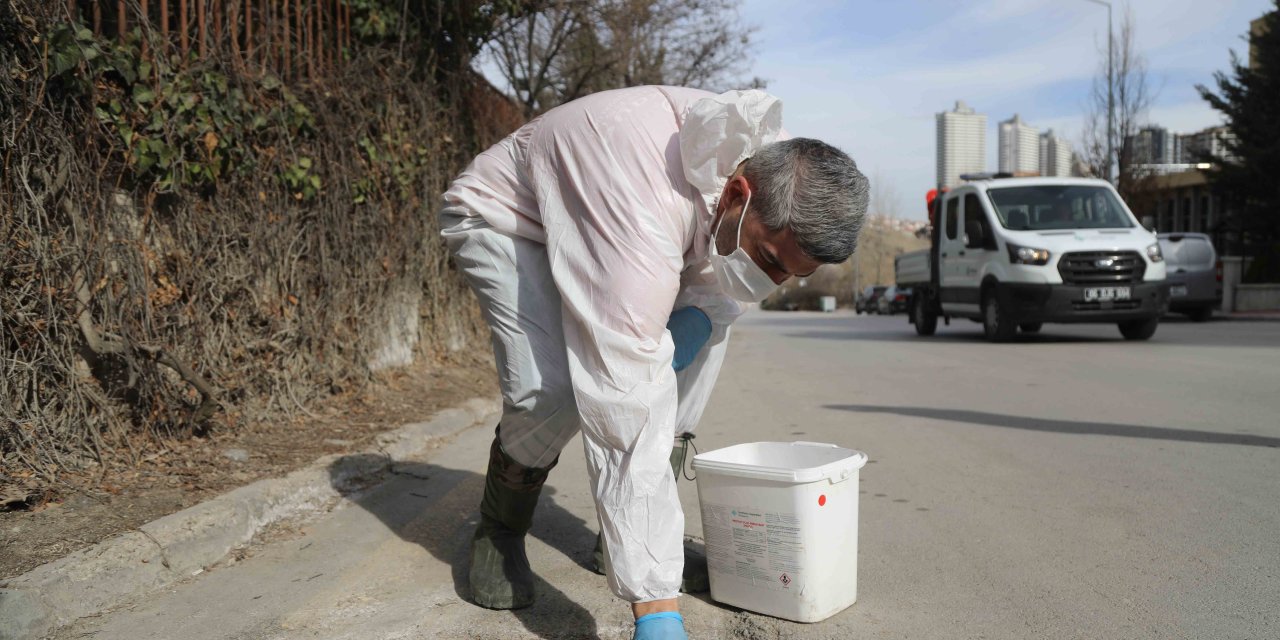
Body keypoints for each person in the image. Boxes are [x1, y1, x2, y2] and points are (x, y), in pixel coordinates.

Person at [439, 85, 868, 640]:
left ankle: (621, 540)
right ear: (738, 191)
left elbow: (723, 277)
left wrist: (699, 323)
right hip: (515, 225)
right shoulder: (639, 187)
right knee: (555, 389)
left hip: (638, 232)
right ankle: (500, 528)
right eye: (769, 260)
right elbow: (625, 397)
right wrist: (656, 605)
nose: (773, 283)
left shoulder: (781, 169)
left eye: (792, 274)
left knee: (698, 340)